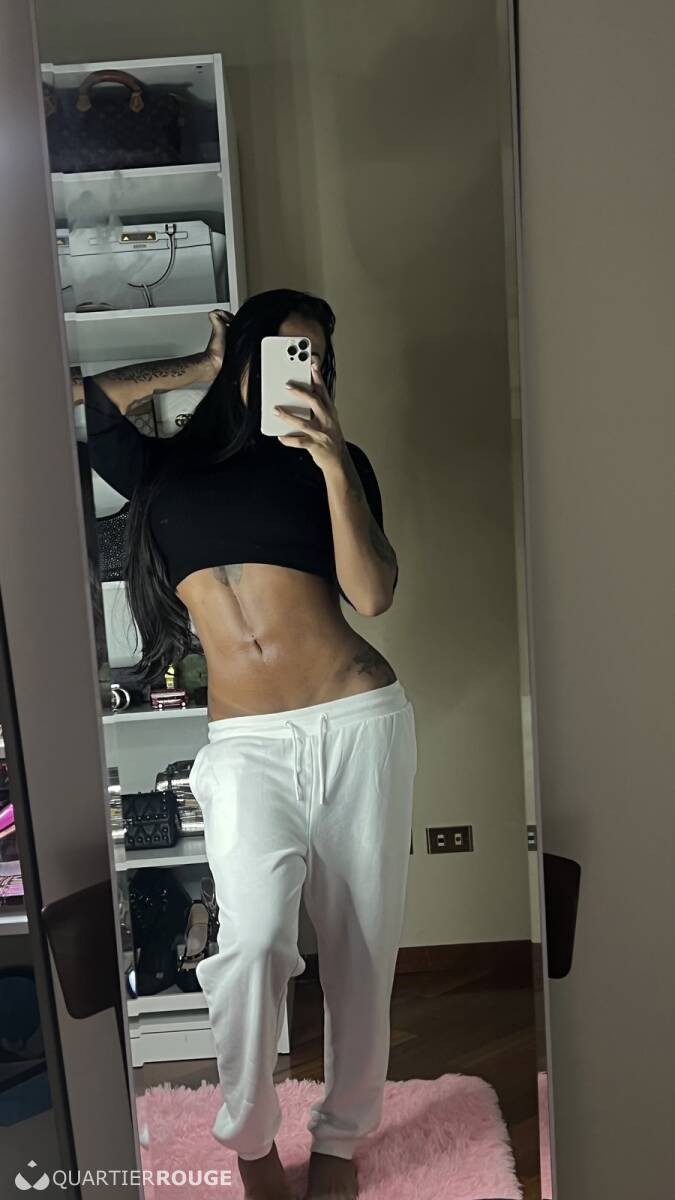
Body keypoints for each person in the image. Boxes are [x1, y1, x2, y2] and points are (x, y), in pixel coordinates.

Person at [74, 289, 417, 1200]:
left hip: (355, 720)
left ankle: (341, 1139)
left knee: (360, 950)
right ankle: (251, 1141)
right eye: (285, 352)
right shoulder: (163, 468)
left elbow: (373, 595)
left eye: (317, 358)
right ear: (247, 358)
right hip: (247, 742)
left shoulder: (336, 462)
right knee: (252, 943)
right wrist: (200, 364)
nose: (304, 371)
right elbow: (91, 402)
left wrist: (334, 462)